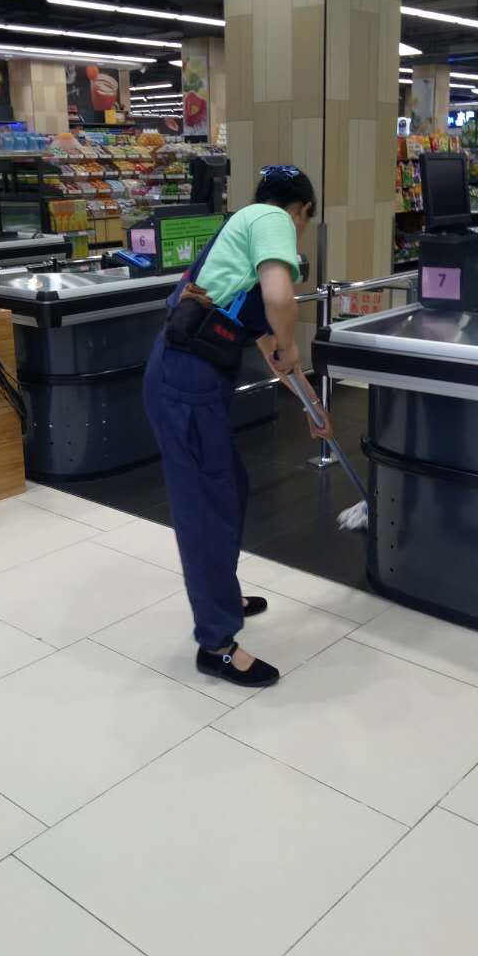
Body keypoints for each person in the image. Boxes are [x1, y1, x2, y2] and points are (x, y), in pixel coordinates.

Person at [143, 165, 333, 689]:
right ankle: (217, 644)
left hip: (187, 381)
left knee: (229, 488)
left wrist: (311, 405)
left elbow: (271, 350)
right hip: (185, 383)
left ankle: (221, 597)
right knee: (206, 507)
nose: (296, 234)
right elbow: (280, 301)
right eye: (303, 222)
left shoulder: (241, 235)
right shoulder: (270, 218)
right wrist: (292, 343)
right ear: (301, 211)